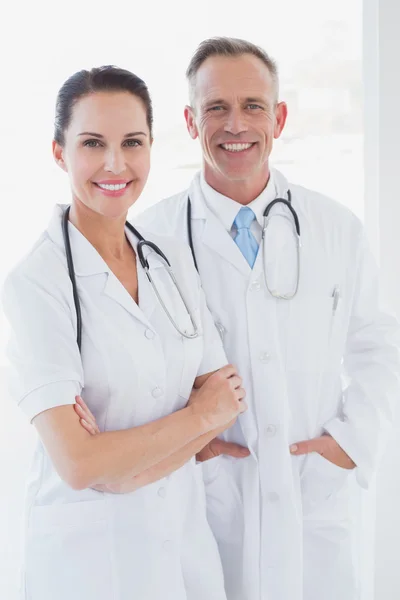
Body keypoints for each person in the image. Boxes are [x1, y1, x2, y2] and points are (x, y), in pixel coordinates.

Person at [135, 37, 400, 600]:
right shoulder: (151, 241)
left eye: (253, 106)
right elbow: (140, 370)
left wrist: (351, 441)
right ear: (189, 121)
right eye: (216, 108)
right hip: (208, 498)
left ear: (278, 118)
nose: (236, 125)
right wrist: (187, 443)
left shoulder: (336, 228)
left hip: (314, 499)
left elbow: (377, 345)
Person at [1, 65, 250, 600]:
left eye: (132, 142)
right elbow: (78, 464)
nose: (115, 164)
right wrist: (195, 416)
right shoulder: (36, 284)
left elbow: (225, 402)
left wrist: (121, 467)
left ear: (151, 147)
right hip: (90, 566)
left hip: (183, 550)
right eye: (93, 143)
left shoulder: (170, 260)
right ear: (58, 152)